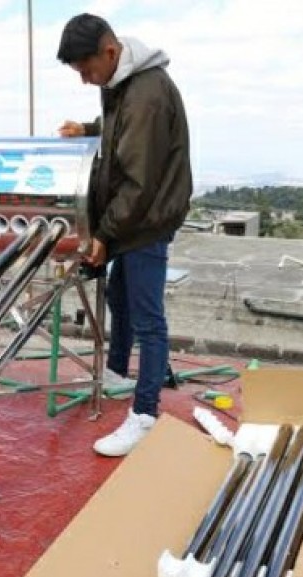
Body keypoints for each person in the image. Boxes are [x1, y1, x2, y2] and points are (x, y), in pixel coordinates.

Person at [57, 14, 193, 456]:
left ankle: (145, 415)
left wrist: (103, 234)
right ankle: (117, 370)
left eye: (86, 70)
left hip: (147, 218)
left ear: (110, 53)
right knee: (119, 296)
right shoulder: (121, 82)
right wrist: (89, 129)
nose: (85, 80)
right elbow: (122, 135)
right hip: (134, 215)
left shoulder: (146, 94)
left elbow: (138, 179)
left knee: (148, 318)